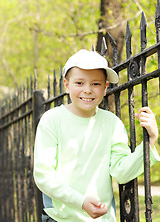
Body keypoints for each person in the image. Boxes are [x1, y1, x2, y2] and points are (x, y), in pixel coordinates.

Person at [33, 49, 160, 222]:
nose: (87, 90)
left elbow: (121, 172)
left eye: (96, 84)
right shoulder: (52, 120)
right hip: (60, 219)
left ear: (105, 87)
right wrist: (81, 202)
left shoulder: (112, 123)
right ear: (66, 84)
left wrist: (151, 140)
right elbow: (44, 175)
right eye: (79, 83)